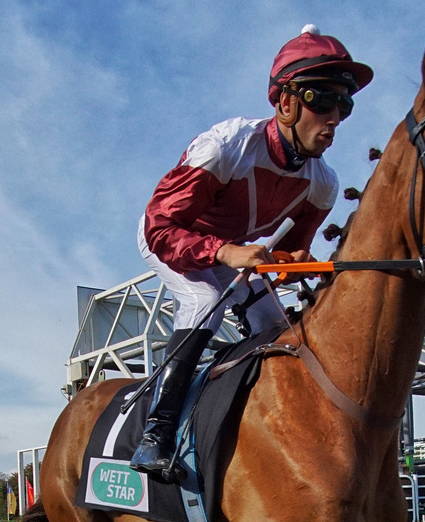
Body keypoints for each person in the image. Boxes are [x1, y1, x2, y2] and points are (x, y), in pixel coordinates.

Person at [129, 25, 372, 481]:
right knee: (203, 302)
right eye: (323, 100)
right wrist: (225, 251)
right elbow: (161, 225)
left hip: (234, 258)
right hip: (175, 241)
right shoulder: (227, 146)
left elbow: (289, 250)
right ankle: (155, 434)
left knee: (276, 328)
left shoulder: (324, 184)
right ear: (285, 103)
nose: (335, 115)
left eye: (345, 103)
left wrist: (293, 265)